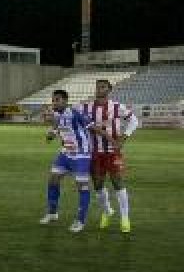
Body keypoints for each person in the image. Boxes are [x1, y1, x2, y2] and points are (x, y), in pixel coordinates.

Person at [84, 79, 139, 232]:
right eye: (97, 87)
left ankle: (125, 218)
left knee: (117, 182)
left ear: (109, 90)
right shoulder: (87, 107)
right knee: (98, 185)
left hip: (113, 152)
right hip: (95, 152)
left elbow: (134, 121)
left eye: (103, 87)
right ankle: (107, 211)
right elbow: (78, 120)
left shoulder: (117, 107)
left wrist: (123, 138)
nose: (99, 89)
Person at [39, 89, 94, 232]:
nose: (54, 102)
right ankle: (52, 213)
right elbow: (55, 130)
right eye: (53, 100)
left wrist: (111, 141)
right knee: (52, 180)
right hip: (66, 153)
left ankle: (80, 221)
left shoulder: (75, 113)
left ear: (65, 100)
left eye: (57, 100)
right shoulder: (56, 115)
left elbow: (92, 127)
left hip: (81, 154)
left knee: (82, 186)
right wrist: (51, 134)